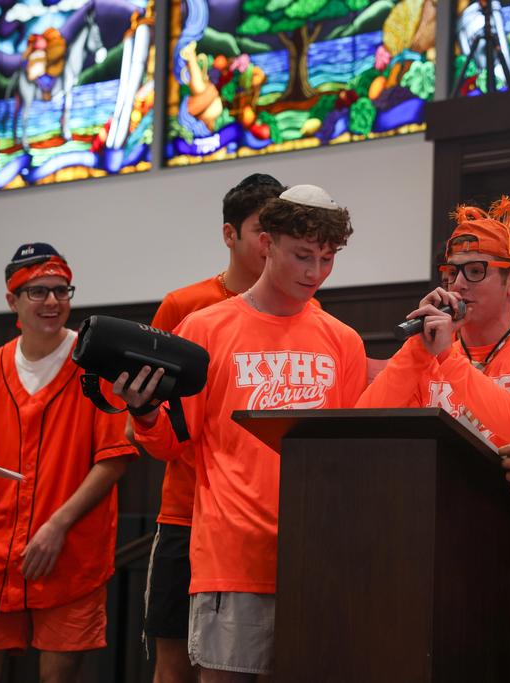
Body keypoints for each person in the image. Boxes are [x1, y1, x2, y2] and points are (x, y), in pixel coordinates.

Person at [116, 185, 367, 682]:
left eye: (327, 258)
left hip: (314, 554)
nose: (315, 273)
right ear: (267, 243)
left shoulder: (343, 341)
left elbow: (349, 456)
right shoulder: (204, 328)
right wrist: (143, 413)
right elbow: (172, 443)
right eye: (302, 256)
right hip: (232, 552)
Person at [357, 196, 510, 680]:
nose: (458, 283)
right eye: (451, 272)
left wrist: (449, 358)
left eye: (476, 270)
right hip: (434, 569)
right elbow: (364, 431)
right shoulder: (427, 354)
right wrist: (417, 351)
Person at [0, 243, 136, 683]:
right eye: (38, 291)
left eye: (61, 290)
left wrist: (57, 526)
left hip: (69, 556)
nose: (52, 301)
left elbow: (113, 460)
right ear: (12, 300)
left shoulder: (96, 364)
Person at [142, 172, 286, 683]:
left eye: (279, 231)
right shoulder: (185, 307)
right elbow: (149, 414)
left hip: (263, 518)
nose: (271, 243)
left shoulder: (304, 308)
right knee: (175, 664)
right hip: (188, 510)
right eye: (262, 231)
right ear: (230, 234)